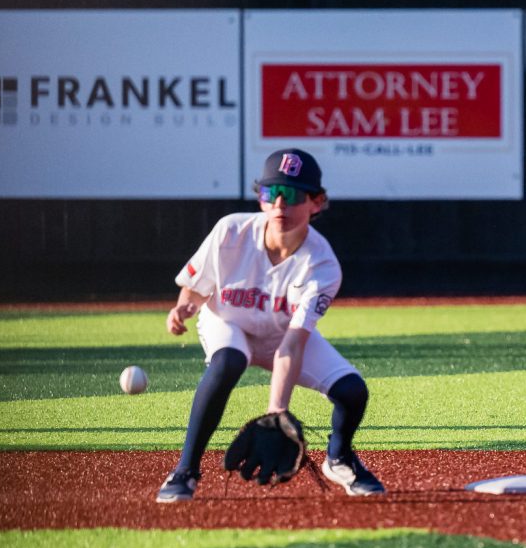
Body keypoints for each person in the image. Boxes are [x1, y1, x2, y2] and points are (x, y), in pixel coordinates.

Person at [156, 148, 385, 502]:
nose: (280, 204)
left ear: (317, 202)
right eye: (270, 193)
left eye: (293, 195)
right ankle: (185, 469)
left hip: (282, 335)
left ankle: (339, 459)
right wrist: (183, 307)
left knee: (353, 391)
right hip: (227, 323)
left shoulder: (322, 265)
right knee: (228, 361)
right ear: (260, 199)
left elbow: (292, 343)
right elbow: (197, 285)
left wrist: (277, 411)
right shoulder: (230, 231)